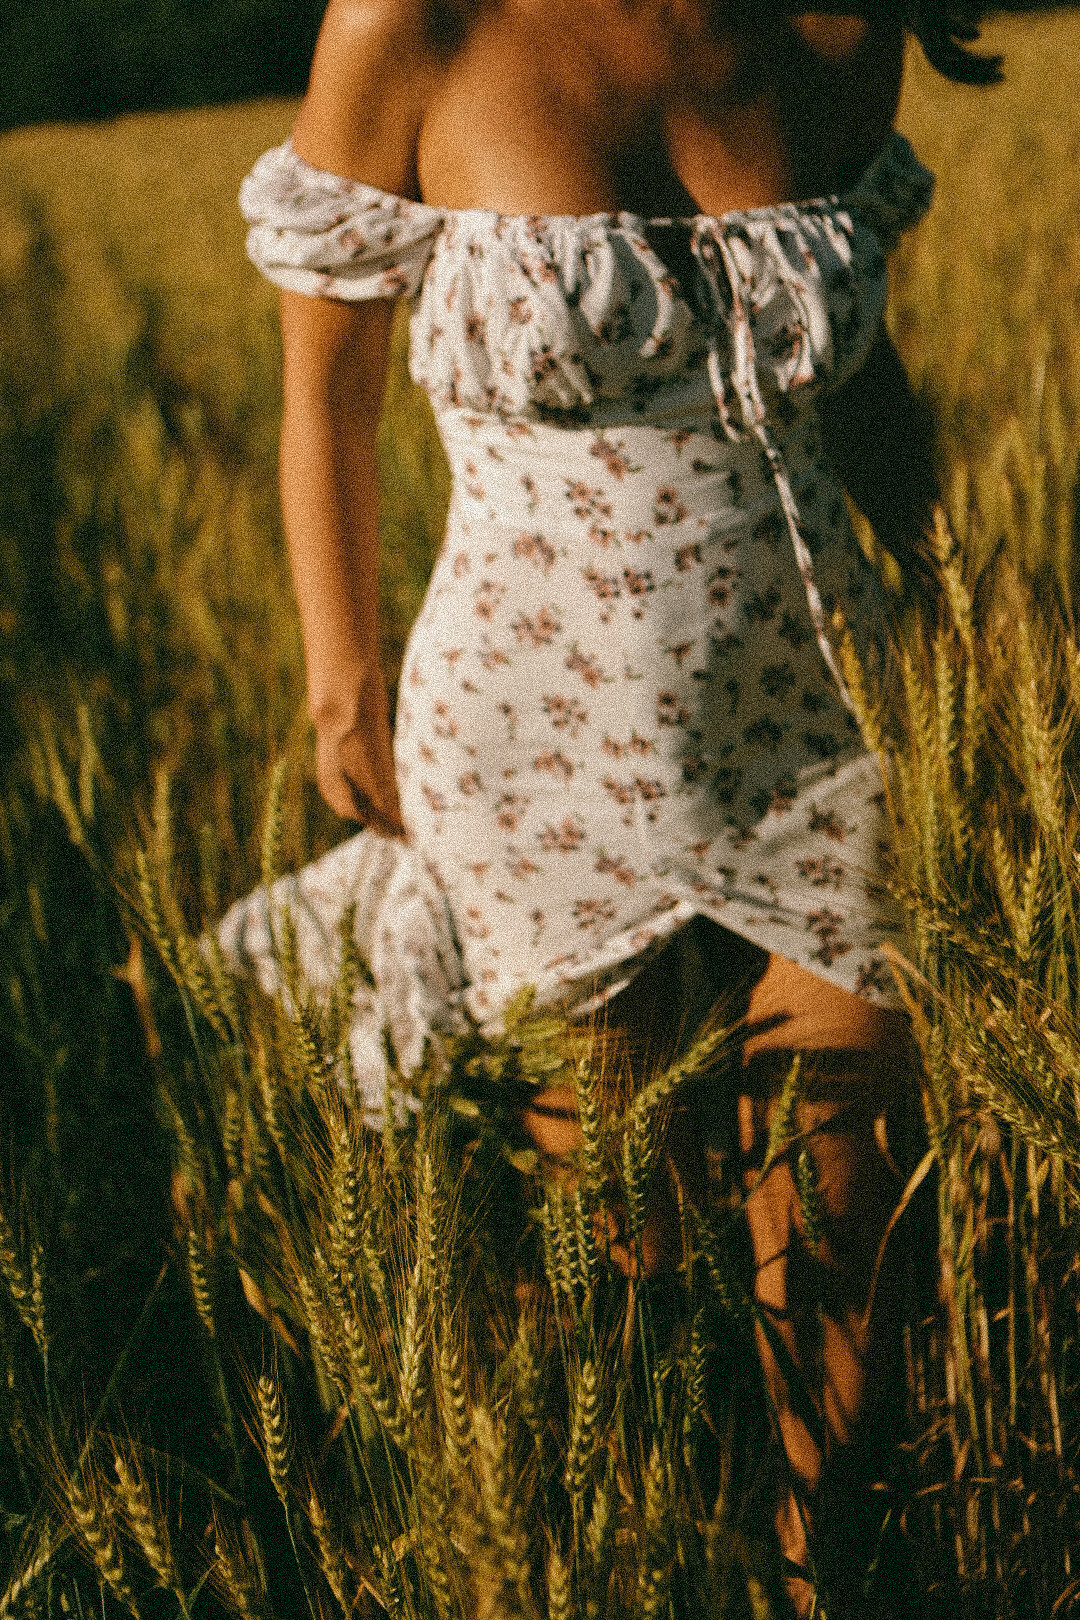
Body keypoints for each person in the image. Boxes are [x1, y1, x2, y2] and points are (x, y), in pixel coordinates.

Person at [228, 0, 1000, 1609]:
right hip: (537, 755)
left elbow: (858, 380)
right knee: (622, 1292)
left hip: (827, 718)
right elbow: (325, 390)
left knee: (848, 1278)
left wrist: (962, 642)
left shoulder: (836, 27)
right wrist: (338, 672)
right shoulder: (411, 24)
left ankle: (820, 1593)